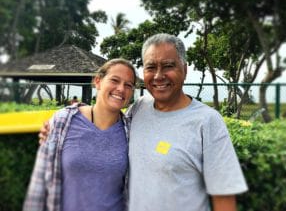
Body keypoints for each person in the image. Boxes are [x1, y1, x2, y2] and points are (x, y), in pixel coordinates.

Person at [38, 33, 248, 211]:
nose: (158, 76)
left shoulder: (208, 121)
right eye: (150, 67)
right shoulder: (138, 109)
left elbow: (224, 196)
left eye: (168, 66)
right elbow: (105, 122)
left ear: (184, 69)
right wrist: (60, 124)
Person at [23, 58, 137, 211]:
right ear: (97, 81)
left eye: (128, 85)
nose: (121, 89)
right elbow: (39, 183)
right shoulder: (63, 121)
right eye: (114, 80)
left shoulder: (131, 131)